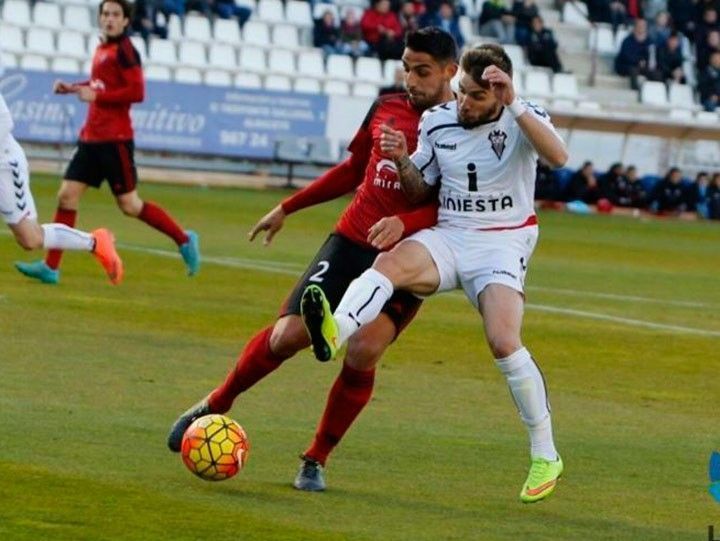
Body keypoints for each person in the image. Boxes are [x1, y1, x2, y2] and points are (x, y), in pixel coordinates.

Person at [166, 28, 459, 492]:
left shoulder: (462, 125)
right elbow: (351, 170)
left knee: (363, 349)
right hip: (352, 240)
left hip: (406, 257)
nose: (411, 79)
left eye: (422, 71)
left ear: (450, 71)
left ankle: (316, 458)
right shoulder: (386, 107)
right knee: (287, 336)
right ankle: (215, 402)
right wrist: (287, 206)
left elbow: (452, 205)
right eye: (407, 67)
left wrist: (406, 223)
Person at [301, 43, 568, 503]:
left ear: (499, 94)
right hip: (450, 233)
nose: (463, 103)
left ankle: (545, 454)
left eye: (475, 97)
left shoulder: (521, 117)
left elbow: (558, 158)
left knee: (504, 341)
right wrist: (404, 158)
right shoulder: (438, 120)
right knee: (388, 264)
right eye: (461, 91)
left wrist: (515, 103)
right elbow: (419, 187)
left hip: (502, 241)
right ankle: (335, 329)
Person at [15, 0, 199, 285]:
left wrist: (97, 96)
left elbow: (137, 92)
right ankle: (51, 267)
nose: (109, 19)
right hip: (91, 138)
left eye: (115, 15)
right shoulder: (103, 47)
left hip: (115, 142)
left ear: (126, 21)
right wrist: (74, 88)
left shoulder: (126, 51)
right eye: (105, 14)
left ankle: (184, 239)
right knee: (67, 195)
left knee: (130, 205)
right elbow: (101, 83)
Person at [1, 93, 123, 284]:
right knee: (28, 238)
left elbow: (4, 121)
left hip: (5, 166)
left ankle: (95, 242)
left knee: (30, 238)